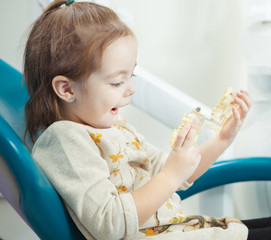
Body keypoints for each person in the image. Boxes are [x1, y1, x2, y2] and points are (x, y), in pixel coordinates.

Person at [23, 0, 251, 239]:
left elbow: (172, 171)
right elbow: (110, 225)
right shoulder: (64, 141)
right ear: (67, 90)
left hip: (190, 229)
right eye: (116, 82)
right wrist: (172, 174)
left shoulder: (117, 128)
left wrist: (223, 139)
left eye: (130, 75)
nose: (131, 89)